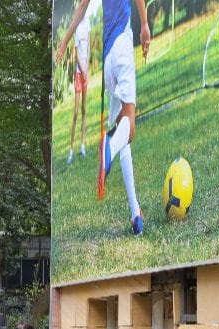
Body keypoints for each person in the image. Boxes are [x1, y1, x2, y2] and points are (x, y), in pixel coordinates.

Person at [56, 0, 150, 236]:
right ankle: (108, 146)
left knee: (122, 132)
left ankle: (135, 214)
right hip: (122, 45)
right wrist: (145, 25)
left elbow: (80, 10)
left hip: (108, 60)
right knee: (129, 129)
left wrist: (64, 41)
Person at [67, 11, 92, 164]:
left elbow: (88, 47)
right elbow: (76, 54)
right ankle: (71, 149)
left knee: (84, 109)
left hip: (85, 73)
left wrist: (87, 66)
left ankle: (82, 146)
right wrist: (82, 69)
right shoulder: (76, 28)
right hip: (78, 74)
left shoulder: (87, 23)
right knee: (76, 112)